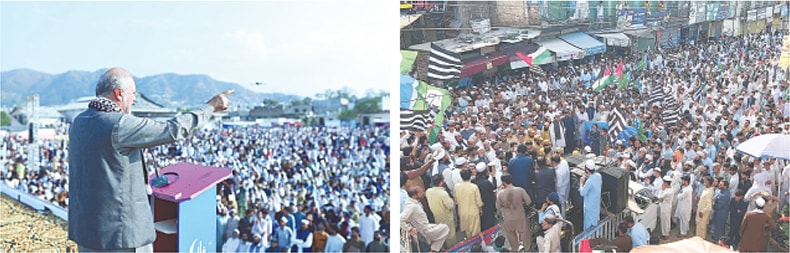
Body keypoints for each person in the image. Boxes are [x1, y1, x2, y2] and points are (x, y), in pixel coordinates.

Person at [68, 68, 233, 251]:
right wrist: (211, 106)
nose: (135, 99)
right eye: (133, 93)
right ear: (119, 93)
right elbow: (172, 129)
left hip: (88, 234)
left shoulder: (79, 122)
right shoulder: (118, 124)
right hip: (120, 237)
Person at [401, 185, 449, 252]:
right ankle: (433, 250)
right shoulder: (411, 206)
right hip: (424, 231)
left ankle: (433, 250)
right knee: (445, 228)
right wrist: (410, 229)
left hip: (426, 226)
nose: (423, 193)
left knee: (441, 229)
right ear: (414, 195)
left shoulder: (414, 202)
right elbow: (400, 219)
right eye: (420, 192)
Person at [496, 173, 533, 251]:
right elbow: (528, 201)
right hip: (520, 215)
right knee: (524, 234)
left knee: (511, 235)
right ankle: (526, 249)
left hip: (508, 217)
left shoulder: (500, 194)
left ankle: (514, 250)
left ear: (503, 182)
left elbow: (498, 207)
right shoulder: (520, 190)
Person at [425, 174, 457, 248]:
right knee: (450, 236)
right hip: (446, 217)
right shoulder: (443, 193)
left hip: (437, 217)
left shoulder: (428, 191)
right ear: (441, 182)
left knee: (441, 234)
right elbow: (450, 205)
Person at [454, 169, 483, 238]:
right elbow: (478, 201)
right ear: (470, 176)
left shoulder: (456, 187)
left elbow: (456, 200)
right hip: (473, 211)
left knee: (467, 230)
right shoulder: (474, 187)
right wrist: (480, 209)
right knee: (475, 231)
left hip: (462, 211)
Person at [473, 162, 497, 232]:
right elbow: (493, 187)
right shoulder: (486, 182)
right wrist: (493, 177)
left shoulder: (474, 181)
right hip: (488, 204)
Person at [580, 160, 602, 230]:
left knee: (587, 229)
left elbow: (582, 193)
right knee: (595, 226)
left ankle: (586, 241)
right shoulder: (598, 176)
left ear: (586, 169)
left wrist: (581, 183)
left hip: (589, 208)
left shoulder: (589, 181)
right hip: (596, 206)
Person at [657, 175, 674, 240]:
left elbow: (659, 198)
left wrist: (661, 189)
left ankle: (666, 234)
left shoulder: (667, 192)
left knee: (665, 221)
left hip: (665, 207)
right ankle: (665, 233)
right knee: (665, 220)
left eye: (663, 182)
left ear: (666, 183)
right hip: (666, 206)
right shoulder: (671, 188)